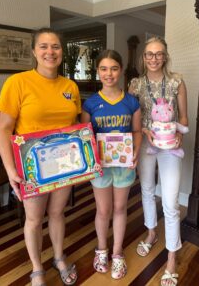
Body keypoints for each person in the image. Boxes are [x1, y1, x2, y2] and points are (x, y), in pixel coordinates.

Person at [0, 28, 80, 286]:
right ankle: (37, 269)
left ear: (61, 51)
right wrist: (11, 171)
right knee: (33, 219)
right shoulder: (17, 82)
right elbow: (4, 129)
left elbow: (75, 126)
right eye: (43, 46)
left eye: (55, 46)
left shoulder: (70, 86)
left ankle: (58, 257)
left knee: (57, 213)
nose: (50, 52)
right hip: (31, 166)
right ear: (34, 51)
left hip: (64, 163)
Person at [128, 36, 188, 286]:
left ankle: (172, 257)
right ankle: (152, 232)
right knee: (147, 191)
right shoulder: (135, 84)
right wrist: (143, 131)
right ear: (144, 57)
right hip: (145, 145)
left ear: (165, 56)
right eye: (149, 54)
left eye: (158, 53)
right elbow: (131, 120)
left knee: (172, 203)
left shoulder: (176, 82)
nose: (153, 58)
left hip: (169, 147)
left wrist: (178, 135)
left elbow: (184, 119)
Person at [81, 49, 142, 279]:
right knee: (103, 210)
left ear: (121, 70)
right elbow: (84, 136)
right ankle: (101, 250)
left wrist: (135, 150)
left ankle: (117, 254)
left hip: (124, 164)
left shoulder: (131, 102)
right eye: (104, 69)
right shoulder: (91, 103)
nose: (109, 74)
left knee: (119, 208)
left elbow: (136, 131)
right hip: (100, 166)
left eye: (114, 68)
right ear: (98, 72)